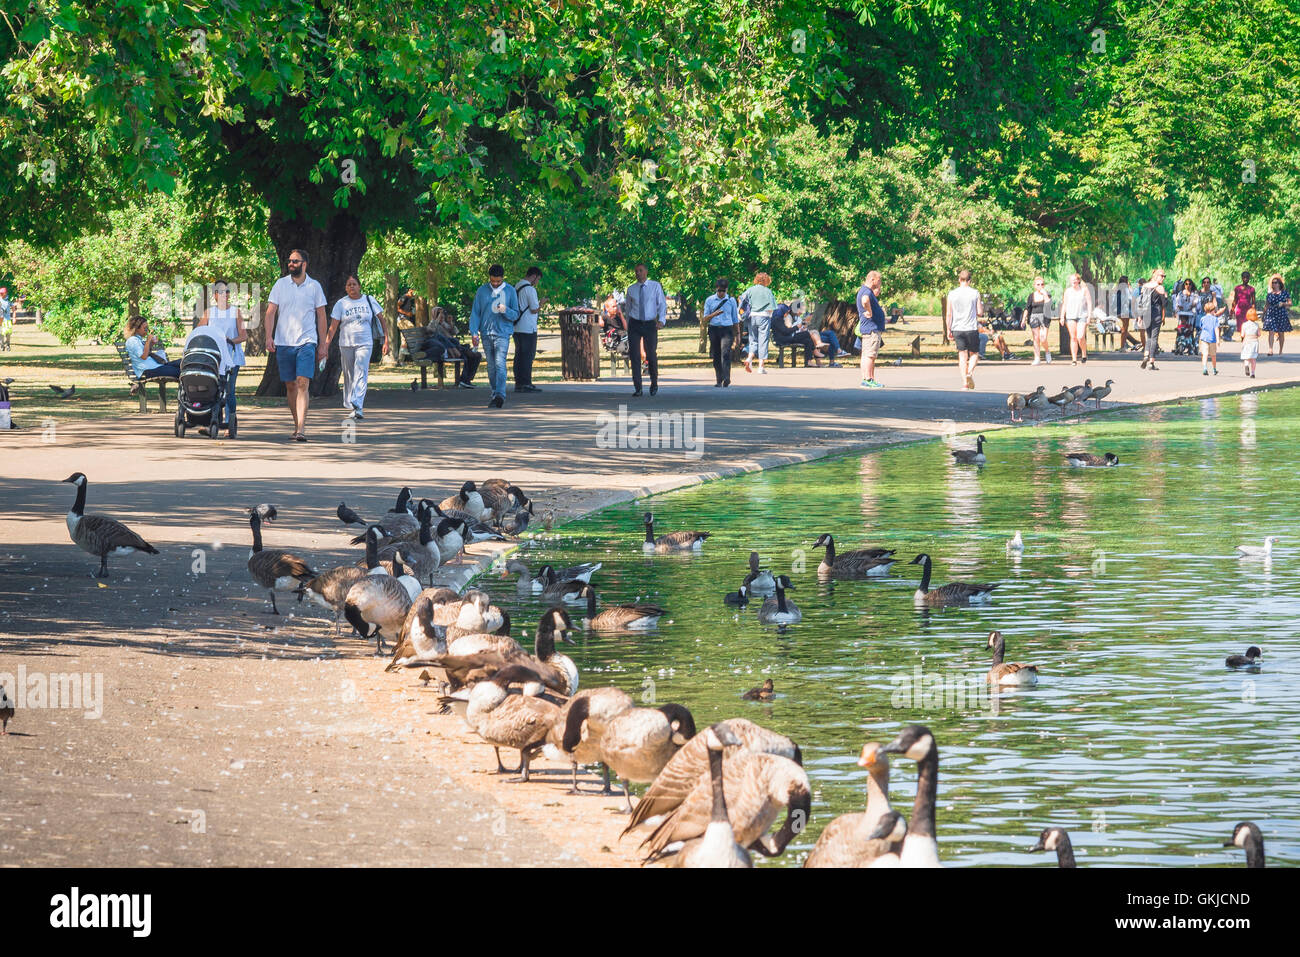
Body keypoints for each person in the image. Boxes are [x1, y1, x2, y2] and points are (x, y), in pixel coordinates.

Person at [264, 249, 328, 442]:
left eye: (295, 261)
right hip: (284, 342)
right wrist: (268, 336)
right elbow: (270, 312)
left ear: (304, 264)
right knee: (291, 385)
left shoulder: (314, 287)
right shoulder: (280, 284)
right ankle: (296, 423)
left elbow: (321, 315)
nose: (291, 264)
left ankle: (301, 428)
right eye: (289, 261)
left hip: (307, 341)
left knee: (302, 382)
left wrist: (323, 344)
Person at [325, 274, 386, 419]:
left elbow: (382, 321)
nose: (352, 287)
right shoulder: (341, 304)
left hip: (365, 342)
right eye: (349, 285)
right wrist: (325, 346)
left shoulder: (369, 300)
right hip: (346, 343)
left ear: (359, 286)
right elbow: (333, 327)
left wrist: (387, 340)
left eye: (354, 284)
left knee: (361, 371)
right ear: (345, 288)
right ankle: (352, 403)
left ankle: (358, 405)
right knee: (349, 374)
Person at [196, 279, 248, 429]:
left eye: (227, 291)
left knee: (229, 390)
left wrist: (230, 340)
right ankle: (211, 420)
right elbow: (199, 331)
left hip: (231, 357)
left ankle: (229, 422)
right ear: (215, 295)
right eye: (221, 292)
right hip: (213, 358)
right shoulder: (209, 312)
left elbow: (243, 336)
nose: (225, 294)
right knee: (212, 389)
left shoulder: (236, 312)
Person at [469, 264, 519, 409]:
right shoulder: (482, 291)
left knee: (500, 363)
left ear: (503, 278)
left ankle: (500, 395)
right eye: (493, 281)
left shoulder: (510, 291)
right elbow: (476, 313)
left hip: (502, 333)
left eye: (498, 281)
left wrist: (506, 310)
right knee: (491, 366)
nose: (495, 283)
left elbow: (516, 314)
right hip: (486, 333)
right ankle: (494, 392)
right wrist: (474, 331)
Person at [623, 263, 666, 396]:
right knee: (634, 355)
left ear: (646, 272)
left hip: (649, 324)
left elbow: (662, 304)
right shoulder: (631, 289)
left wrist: (661, 320)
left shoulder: (655, 286)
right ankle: (638, 387)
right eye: (636, 271)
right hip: (635, 324)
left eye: (640, 271)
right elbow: (628, 309)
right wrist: (628, 325)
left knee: (651, 354)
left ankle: (654, 382)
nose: (638, 273)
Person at [771, 292, 836, 367]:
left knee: (808, 340)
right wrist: (797, 327)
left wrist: (801, 327)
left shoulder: (781, 319)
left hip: (788, 337)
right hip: (784, 339)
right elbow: (786, 331)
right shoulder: (777, 320)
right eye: (785, 312)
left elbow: (787, 331)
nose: (786, 313)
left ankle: (809, 361)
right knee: (808, 334)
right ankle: (816, 351)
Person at [946, 269, 983, 388]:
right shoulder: (975, 293)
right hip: (971, 327)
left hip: (957, 328)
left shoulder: (952, 294)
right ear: (970, 280)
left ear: (959, 280)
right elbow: (980, 312)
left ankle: (964, 383)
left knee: (962, 355)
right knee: (974, 353)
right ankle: (969, 372)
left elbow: (949, 314)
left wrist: (948, 329)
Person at [428, 306, 481, 389]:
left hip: (456, 347)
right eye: (439, 313)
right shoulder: (432, 324)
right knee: (468, 356)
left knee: (477, 355)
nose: (441, 315)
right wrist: (437, 320)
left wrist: (450, 323)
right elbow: (430, 330)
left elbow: (455, 332)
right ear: (434, 314)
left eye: (443, 313)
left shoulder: (445, 324)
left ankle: (466, 379)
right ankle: (464, 381)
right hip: (448, 350)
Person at [703, 278, 740, 387]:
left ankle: (727, 377)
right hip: (714, 329)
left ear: (726, 290)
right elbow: (705, 318)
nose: (721, 293)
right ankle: (719, 379)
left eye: (723, 291)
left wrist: (737, 334)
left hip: (727, 329)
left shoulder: (731, 300)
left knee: (726, 353)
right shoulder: (710, 300)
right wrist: (714, 314)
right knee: (716, 354)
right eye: (719, 291)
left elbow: (735, 318)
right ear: (716, 289)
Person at [511, 266, 542, 393]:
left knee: (519, 355)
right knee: (528, 356)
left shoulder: (516, 286)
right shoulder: (530, 289)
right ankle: (526, 383)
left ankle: (519, 382)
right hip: (528, 328)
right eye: (538, 279)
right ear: (534, 276)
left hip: (516, 326)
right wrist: (542, 303)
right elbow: (534, 309)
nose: (537, 282)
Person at [124, 316, 180, 382]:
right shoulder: (132, 341)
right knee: (180, 371)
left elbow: (146, 353)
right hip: (148, 370)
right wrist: (148, 340)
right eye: (145, 328)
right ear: (136, 329)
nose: (147, 330)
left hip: (156, 366)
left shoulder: (138, 339)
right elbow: (144, 356)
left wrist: (151, 344)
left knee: (183, 362)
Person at [740, 272, 776, 375]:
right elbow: (771, 308)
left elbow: (741, 298)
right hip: (764, 317)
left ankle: (749, 358)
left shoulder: (751, 289)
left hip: (752, 317)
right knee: (763, 341)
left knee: (753, 340)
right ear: (766, 280)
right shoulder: (768, 291)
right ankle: (761, 366)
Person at [857, 270, 886, 388]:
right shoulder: (866, 291)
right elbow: (865, 300)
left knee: (866, 355)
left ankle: (866, 378)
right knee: (870, 355)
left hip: (868, 328)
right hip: (871, 328)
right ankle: (868, 379)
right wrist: (869, 311)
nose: (880, 283)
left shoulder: (865, 290)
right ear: (872, 279)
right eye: (879, 281)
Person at [1059, 273, 1092, 365]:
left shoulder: (1084, 290)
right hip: (1070, 316)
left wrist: (1089, 316)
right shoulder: (1068, 291)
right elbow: (1064, 304)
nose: (1073, 281)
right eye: (1072, 280)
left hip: (1082, 316)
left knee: (1080, 336)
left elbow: (1089, 303)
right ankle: (1074, 359)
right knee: (1073, 338)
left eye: (1075, 279)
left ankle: (1084, 353)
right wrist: (1062, 316)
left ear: (1078, 280)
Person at [1138, 267, 1167, 370]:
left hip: (1146, 314)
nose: (1163, 278)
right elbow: (1164, 304)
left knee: (1149, 336)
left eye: (1164, 276)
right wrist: (1165, 296)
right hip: (1156, 314)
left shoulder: (1144, 286)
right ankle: (1151, 362)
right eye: (1162, 276)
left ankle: (1146, 355)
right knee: (1154, 337)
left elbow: (1140, 302)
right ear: (1156, 276)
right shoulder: (1160, 288)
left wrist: (1140, 316)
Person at [1025, 277, 1054, 364]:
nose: (1040, 286)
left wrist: (1044, 294)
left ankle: (1047, 352)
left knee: (1043, 338)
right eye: (1038, 284)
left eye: (1042, 284)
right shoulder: (1031, 296)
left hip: (1045, 317)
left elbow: (1048, 304)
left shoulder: (1047, 294)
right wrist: (1023, 319)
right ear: (1034, 285)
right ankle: (1037, 358)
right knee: (1036, 338)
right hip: (1034, 317)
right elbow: (1027, 308)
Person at [1263, 274, 1292, 355]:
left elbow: (1290, 303)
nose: (1274, 284)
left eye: (1276, 282)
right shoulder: (1270, 294)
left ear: (1279, 284)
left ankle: (1280, 350)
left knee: (1281, 333)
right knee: (1271, 331)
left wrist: (1283, 304)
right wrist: (1263, 315)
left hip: (1281, 314)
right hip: (1271, 314)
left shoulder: (1284, 293)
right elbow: (1267, 305)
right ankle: (1270, 349)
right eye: (1273, 283)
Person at [1112, 276, 1141, 350]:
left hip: (1118, 311)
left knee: (1124, 329)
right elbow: (1130, 299)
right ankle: (1122, 346)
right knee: (1125, 329)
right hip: (1125, 311)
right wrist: (1130, 288)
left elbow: (1113, 300)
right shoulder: (1125, 289)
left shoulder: (1117, 289)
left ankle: (1125, 344)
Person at [1230, 271, 1256, 338]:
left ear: (1249, 278)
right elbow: (1235, 300)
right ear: (1242, 278)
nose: (1245, 279)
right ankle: (1243, 339)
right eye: (1244, 277)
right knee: (1241, 327)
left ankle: (1246, 339)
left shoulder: (1252, 289)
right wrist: (1232, 310)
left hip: (1248, 311)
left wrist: (1253, 310)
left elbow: (1253, 302)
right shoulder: (1237, 288)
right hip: (1240, 310)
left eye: (1247, 278)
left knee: (1248, 325)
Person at [1198, 301, 1219, 375]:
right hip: (1212, 339)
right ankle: (1214, 369)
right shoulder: (1215, 319)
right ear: (1213, 310)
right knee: (1213, 355)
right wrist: (1218, 339)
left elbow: (1201, 327)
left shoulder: (1202, 318)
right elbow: (1216, 329)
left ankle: (1205, 368)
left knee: (1205, 354)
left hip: (1204, 338)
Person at [1240, 307, 1261, 377]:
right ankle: (1253, 373)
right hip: (1254, 342)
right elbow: (1259, 334)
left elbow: (1242, 335)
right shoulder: (1256, 325)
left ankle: (1246, 366)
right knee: (1253, 358)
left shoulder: (1244, 324)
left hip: (1247, 341)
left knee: (1247, 357)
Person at [0, 286, 11, 352]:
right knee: (1, 333)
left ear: (6, 293)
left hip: (7, 319)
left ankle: (8, 345)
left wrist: (15, 317)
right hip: (0, 319)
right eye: (0, 293)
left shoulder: (9, 300)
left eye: (2, 293)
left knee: (8, 334)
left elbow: (13, 307)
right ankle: (2, 346)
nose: (1, 294)